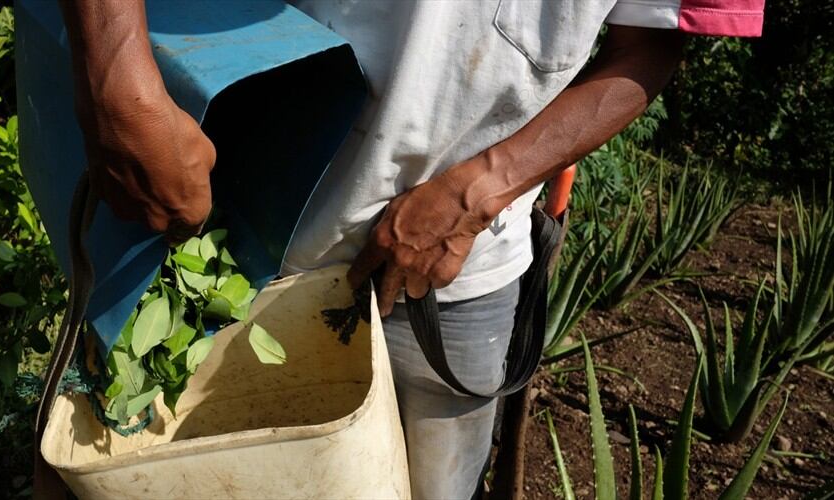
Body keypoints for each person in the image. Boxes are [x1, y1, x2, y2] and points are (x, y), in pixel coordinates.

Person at [58, 1, 764, 498]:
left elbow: (651, 45)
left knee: (430, 486)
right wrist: (116, 84)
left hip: (451, 275)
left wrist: (477, 193)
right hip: (221, 228)